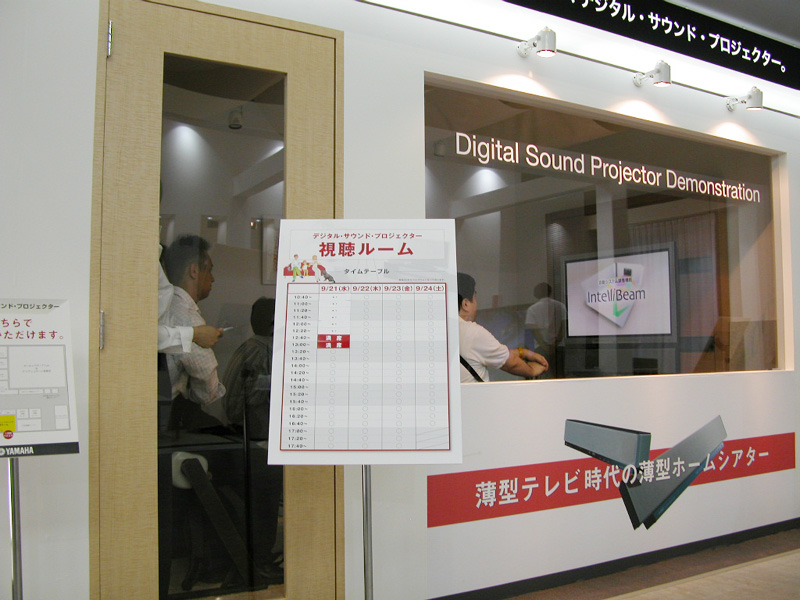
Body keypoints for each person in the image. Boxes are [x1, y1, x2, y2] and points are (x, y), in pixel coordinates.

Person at [221, 297, 283, 583]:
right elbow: (244, 402)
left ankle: (259, 558)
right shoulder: (264, 352)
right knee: (264, 507)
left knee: (262, 505)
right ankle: (260, 562)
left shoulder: (249, 348)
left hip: (250, 437)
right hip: (260, 441)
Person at [161, 234, 227, 428]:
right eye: (210, 270)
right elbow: (207, 389)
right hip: (171, 416)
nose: (213, 278)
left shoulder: (163, 308)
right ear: (194, 271)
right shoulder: (188, 317)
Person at [457, 272, 548, 382]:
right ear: (465, 304)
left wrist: (524, 353)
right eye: (475, 298)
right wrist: (532, 370)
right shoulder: (472, 333)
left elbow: (495, 352)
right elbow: (511, 363)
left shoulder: (443, 330)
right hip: (473, 393)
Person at [525, 282, 567, 379]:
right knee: (559, 375)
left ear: (535, 294)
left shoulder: (532, 309)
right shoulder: (560, 306)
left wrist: (544, 346)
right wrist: (555, 344)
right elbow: (563, 327)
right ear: (550, 292)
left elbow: (534, 331)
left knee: (541, 375)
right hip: (558, 347)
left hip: (540, 348)